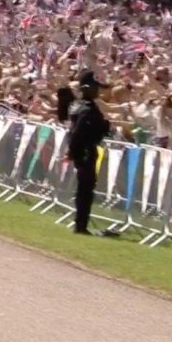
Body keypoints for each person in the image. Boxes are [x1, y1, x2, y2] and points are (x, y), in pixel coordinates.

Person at [67, 70, 111, 234]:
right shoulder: (87, 108)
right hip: (86, 150)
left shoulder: (77, 105)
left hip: (82, 150)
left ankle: (81, 223)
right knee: (85, 189)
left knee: (84, 188)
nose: (98, 91)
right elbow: (79, 132)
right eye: (95, 87)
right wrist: (105, 125)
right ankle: (81, 225)